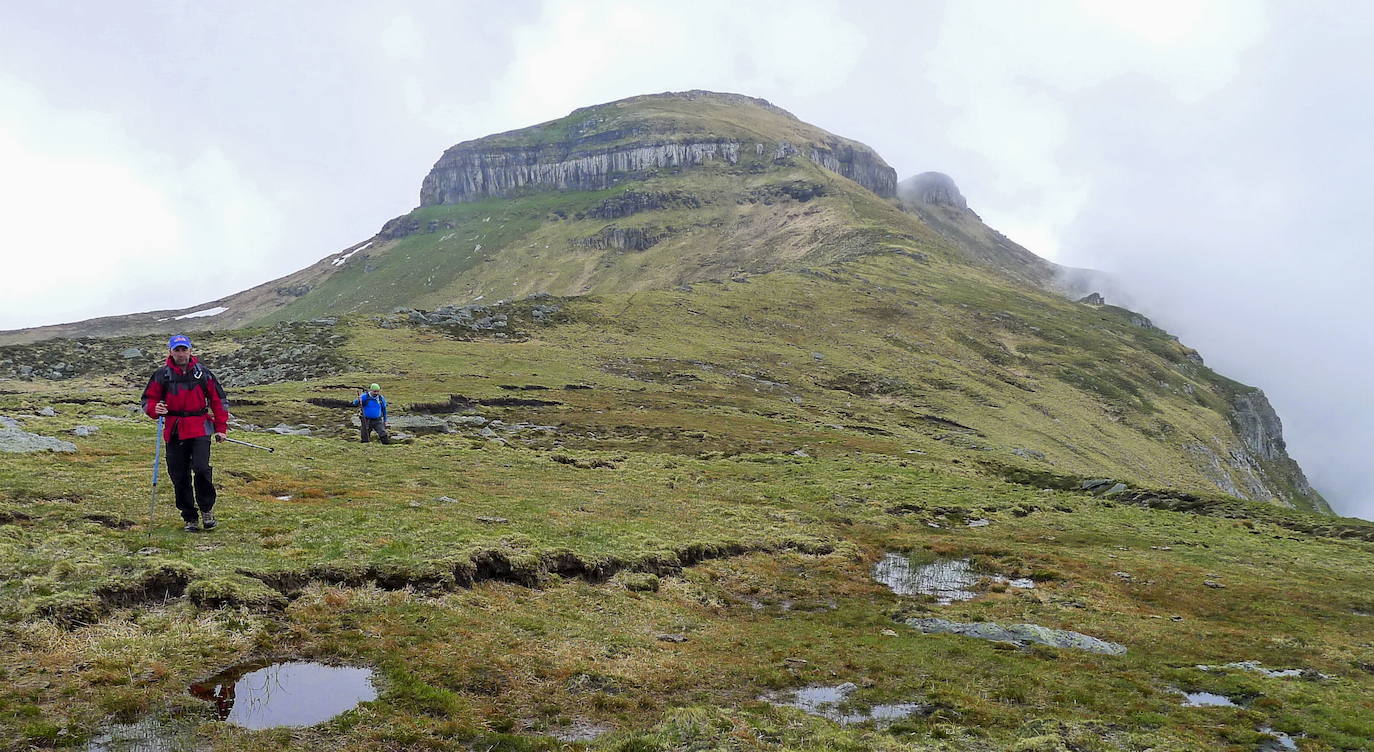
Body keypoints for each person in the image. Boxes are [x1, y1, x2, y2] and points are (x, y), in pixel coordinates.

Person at [141, 334, 229, 532]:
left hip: (199, 427)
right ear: (170, 352)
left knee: (201, 469)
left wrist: (221, 428)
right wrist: (156, 409)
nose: (181, 353)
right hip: (174, 429)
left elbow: (218, 401)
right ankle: (190, 517)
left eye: (184, 349)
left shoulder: (203, 374)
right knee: (179, 475)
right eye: (177, 350)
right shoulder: (161, 375)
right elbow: (148, 400)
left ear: (190, 351)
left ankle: (207, 510)